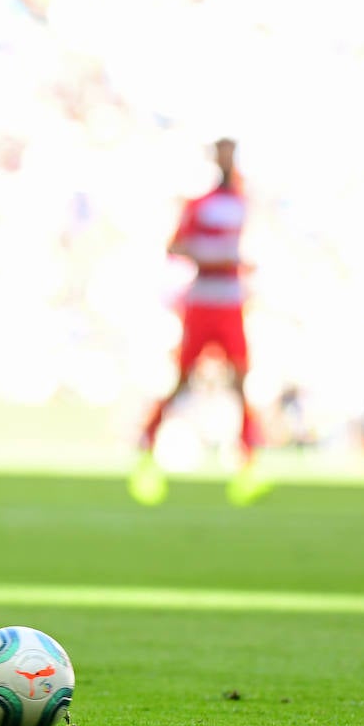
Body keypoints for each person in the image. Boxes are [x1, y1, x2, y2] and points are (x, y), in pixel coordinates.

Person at [131, 137, 267, 507]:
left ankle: (248, 460)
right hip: (204, 299)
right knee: (183, 379)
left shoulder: (243, 203)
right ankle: (147, 445)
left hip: (231, 301)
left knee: (240, 380)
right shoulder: (199, 204)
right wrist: (212, 256)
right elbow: (175, 247)